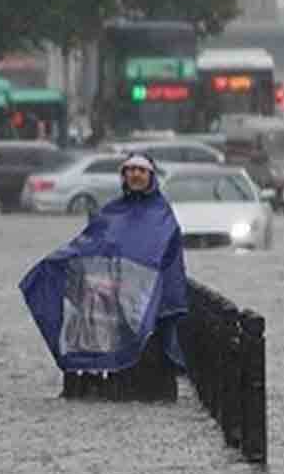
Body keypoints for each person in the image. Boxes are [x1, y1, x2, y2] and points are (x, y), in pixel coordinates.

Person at [19, 152, 187, 400]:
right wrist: (57, 262)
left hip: (146, 303)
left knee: (146, 364)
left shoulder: (162, 215)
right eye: (130, 170)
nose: (135, 175)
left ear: (150, 176)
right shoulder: (111, 212)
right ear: (123, 176)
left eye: (141, 171)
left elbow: (165, 258)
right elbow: (89, 245)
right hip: (111, 303)